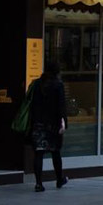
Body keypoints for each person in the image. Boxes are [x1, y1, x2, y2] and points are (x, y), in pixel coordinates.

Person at [30, 61, 68, 192]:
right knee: (55, 152)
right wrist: (63, 123)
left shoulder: (36, 84)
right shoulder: (58, 85)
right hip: (53, 124)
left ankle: (38, 183)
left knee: (38, 153)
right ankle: (59, 179)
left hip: (37, 123)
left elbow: (31, 103)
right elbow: (61, 106)